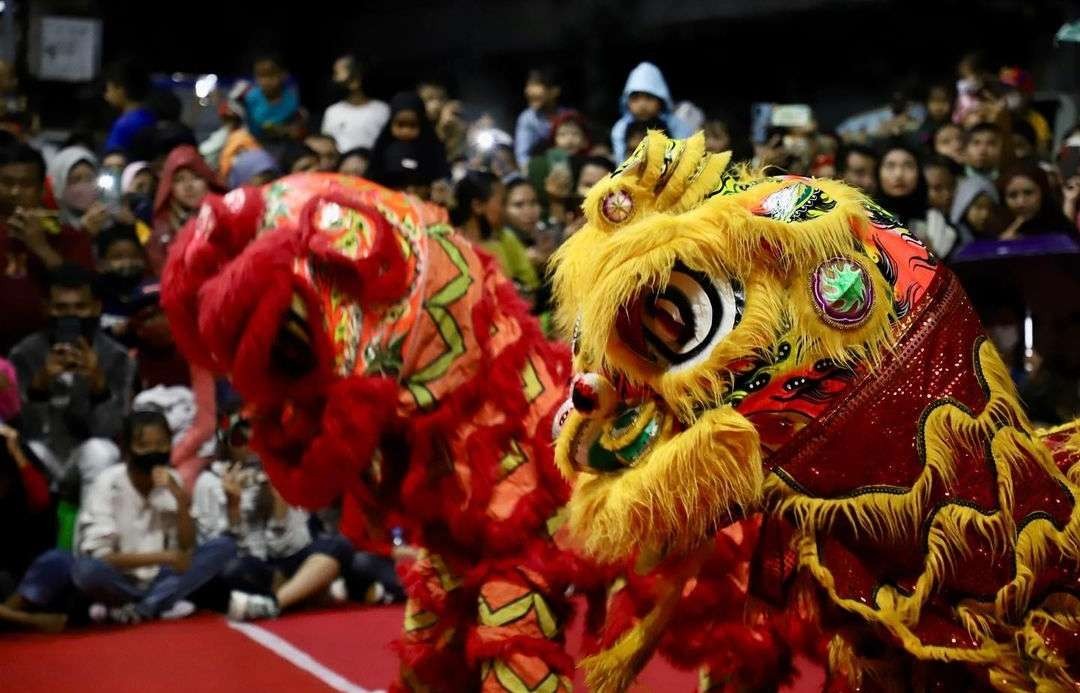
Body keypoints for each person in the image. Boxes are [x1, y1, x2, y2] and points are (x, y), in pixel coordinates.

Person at [0, 410, 236, 629]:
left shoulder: (172, 479)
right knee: (85, 571)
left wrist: (180, 499)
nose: (155, 452)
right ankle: (155, 604)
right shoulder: (107, 483)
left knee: (224, 547)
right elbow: (101, 557)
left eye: (162, 444)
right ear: (127, 449)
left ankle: (143, 609)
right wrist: (164, 557)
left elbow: (186, 549)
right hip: (119, 580)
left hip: (162, 578)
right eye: (145, 445)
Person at [193, 412, 353, 620]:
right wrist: (234, 509)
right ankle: (305, 591)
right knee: (233, 571)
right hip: (249, 564)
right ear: (226, 442)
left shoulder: (283, 472)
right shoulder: (209, 481)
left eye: (257, 440)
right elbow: (217, 551)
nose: (250, 448)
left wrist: (279, 505)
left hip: (284, 563)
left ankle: (273, 603)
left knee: (338, 545)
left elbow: (295, 544)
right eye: (240, 440)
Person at [9, 264, 134, 491]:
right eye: (61, 307)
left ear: (96, 308)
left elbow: (111, 432)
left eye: (80, 307)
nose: (71, 315)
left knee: (101, 452)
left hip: (85, 454)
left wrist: (98, 383)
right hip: (42, 452)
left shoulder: (116, 357)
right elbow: (25, 429)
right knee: (25, 452)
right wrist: (40, 384)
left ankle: (93, 525)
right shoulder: (24, 354)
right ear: (46, 308)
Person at [0, 143, 94, 353]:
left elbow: (84, 293)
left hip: (53, 354)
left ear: (43, 188)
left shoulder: (70, 237)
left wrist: (41, 248)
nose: (15, 191)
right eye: (6, 182)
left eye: (26, 184)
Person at [453, 171, 539, 302]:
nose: (505, 211)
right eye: (502, 203)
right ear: (477, 206)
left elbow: (531, 288)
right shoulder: (451, 247)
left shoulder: (506, 239)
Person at [148, 145, 225, 276]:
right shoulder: (161, 234)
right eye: (179, 180)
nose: (188, 186)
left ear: (208, 181)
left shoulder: (229, 220)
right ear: (169, 188)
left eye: (196, 177)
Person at [877, 141, 958, 258]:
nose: (899, 174)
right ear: (878, 173)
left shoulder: (935, 221)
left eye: (908, 166)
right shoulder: (866, 217)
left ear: (919, 173)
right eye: (890, 166)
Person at [609, 62, 692, 162]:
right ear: (627, 101)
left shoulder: (678, 126)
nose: (642, 105)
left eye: (649, 97)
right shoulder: (620, 128)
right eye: (635, 98)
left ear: (661, 99)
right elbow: (620, 163)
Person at [366, 91, 449, 188]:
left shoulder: (431, 149)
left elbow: (439, 175)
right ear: (391, 123)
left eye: (412, 125)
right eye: (400, 125)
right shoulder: (381, 149)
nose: (406, 131)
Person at [321, 55, 389, 153]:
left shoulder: (382, 110)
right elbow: (326, 146)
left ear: (355, 79)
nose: (334, 79)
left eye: (337, 73)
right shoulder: (332, 112)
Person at [95, 225, 149, 345]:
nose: (128, 263)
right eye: (118, 257)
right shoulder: (95, 295)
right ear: (101, 264)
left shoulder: (151, 293)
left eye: (134, 256)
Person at [997, 160, 1076, 239]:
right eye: (1013, 195)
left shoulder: (1061, 229)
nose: (1020, 202)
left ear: (1043, 193)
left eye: (1028, 193)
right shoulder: (993, 228)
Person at [47, 146, 111, 239]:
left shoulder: (108, 223)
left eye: (90, 179)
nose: (83, 186)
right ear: (59, 184)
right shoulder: (47, 227)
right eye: (75, 180)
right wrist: (84, 233)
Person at [513, 68, 569, 169]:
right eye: (528, 86)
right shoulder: (527, 118)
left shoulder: (569, 116)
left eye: (535, 85)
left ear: (554, 91)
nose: (528, 90)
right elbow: (522, 156)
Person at [103, 58, 156, 155]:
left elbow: (112, 162)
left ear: (120, 90)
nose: (106, 95)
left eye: (108, 89)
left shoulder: (123, 125)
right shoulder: (151, 117)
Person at [244, 52, 301, 142]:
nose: (266, 81)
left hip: (283, 144)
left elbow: (295, 130)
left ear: (283, 74)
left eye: (271, 75)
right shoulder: (249, 98)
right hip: (254, 144)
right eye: (261, 76)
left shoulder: (292, 99)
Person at [950, 174, 1006, 248]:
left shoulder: (991, 234)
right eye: (979, 207)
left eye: (990, 208)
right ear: (964, 207)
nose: (985, 214)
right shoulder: (952, 237)